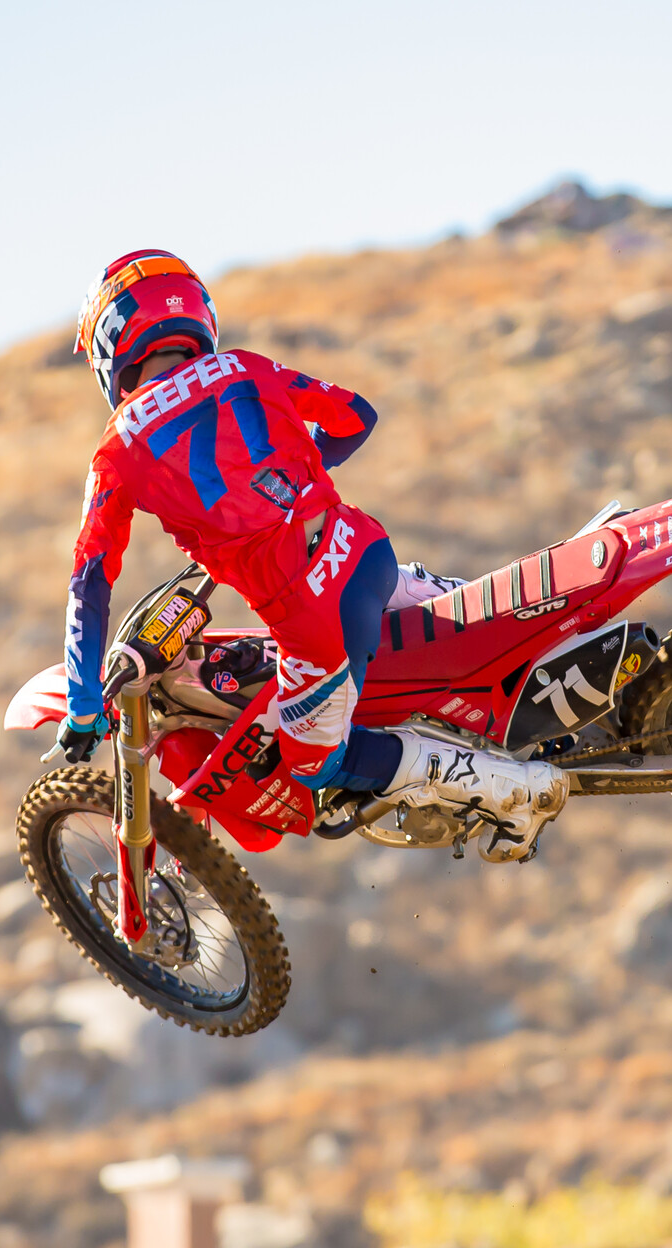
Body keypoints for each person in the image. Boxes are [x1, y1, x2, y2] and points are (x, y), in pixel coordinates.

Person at [53, 249, 566, 860]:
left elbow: (90, 580)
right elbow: (355, 416)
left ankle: (513, 790)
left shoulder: (119, 446)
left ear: (114, 345)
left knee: (312, 763)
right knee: (465, 622)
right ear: (197, 315)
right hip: (365, 551)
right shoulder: (242, 369)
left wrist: (84, 706)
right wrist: (282, 480)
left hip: (312, 616)